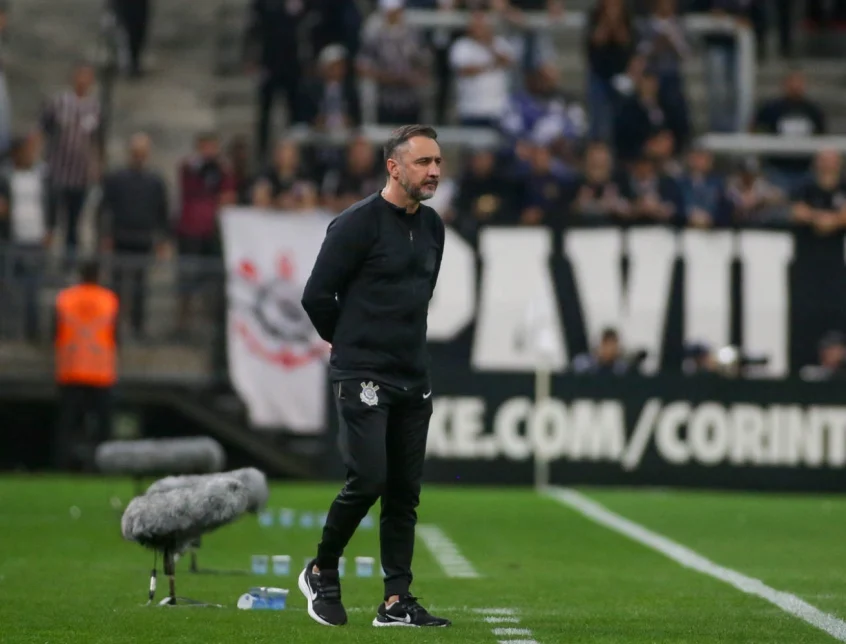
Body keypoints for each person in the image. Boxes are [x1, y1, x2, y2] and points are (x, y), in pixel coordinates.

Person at [299, 124, 449, 628]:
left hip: (413, 374)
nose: (433, 171)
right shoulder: (356, 224)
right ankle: (321, 567)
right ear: (393, 167)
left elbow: (418, 298)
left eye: (437, 162)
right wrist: (350, 344)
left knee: (404, 492)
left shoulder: (433, 227)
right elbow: (316, 296)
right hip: (363, 371)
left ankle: (395, 601)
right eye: (423, 162)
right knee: (368, 478)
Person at [53, 260, 119, 471]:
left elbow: (54, 330)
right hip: (101, 372)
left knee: (68, 424)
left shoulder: (65, 298)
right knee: (103, 426)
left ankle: (63, 465)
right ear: (98, 275)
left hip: (71, 370)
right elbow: (116, 333)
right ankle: (103, 467)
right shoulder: (109, 299)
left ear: (80, 275)